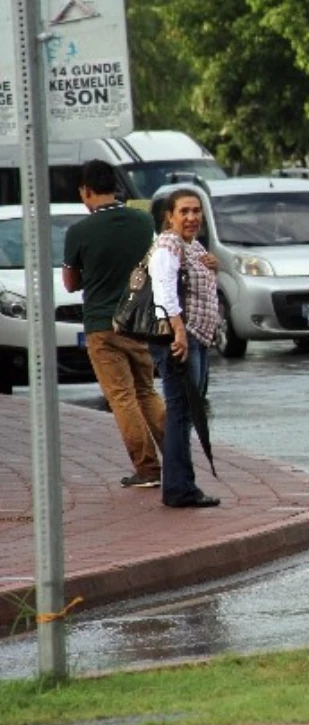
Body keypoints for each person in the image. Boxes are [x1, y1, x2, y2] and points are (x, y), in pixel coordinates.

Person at [63, 160, 166, 488]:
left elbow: (69, 282)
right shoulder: (143, 221)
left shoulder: (79, 231)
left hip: (101, 325)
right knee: (147, 390)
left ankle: (147, 469)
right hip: (138, 319)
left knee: (122, 397)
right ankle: (177, 457)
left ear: (86, 191)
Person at [148, 188, 222, 508]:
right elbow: (164, 290)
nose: (191, 217)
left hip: (197, 337)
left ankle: (182, 485)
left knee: (188, 413)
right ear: (170, 216)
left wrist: (211, 266)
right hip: (180, 338)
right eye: (184, 212)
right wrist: (178, 331)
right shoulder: (168, 244)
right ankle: (179, 489)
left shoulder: (192, 247)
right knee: (180, 413)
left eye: (196, 211)